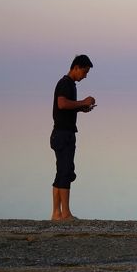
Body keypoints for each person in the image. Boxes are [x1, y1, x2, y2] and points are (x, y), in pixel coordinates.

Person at [50, 55, 95, 220]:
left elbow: (66, 107)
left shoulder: (69, 84)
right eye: (84, 71)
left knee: (61, 172)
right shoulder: (65, 83)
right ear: (76, 67)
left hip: (61, 134)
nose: (85, 75)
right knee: (66, 172)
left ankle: (56, 213)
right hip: (63, 135)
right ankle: (66, 214)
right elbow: (62, 104)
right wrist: (82, 102)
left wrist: (81, 108)